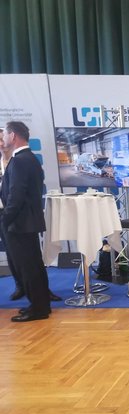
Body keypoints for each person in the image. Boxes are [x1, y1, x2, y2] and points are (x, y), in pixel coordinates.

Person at [0, 122, 51, 322]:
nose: (2, 138)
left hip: (20, 223)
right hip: (24, 222)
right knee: (32, 266)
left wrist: (6, 219)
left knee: (28, 268)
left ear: (13, 136)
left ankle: (38, 308)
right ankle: (39, 304)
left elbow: (17, 196)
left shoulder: (21, 160)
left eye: (4, 134)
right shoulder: (26, 158)